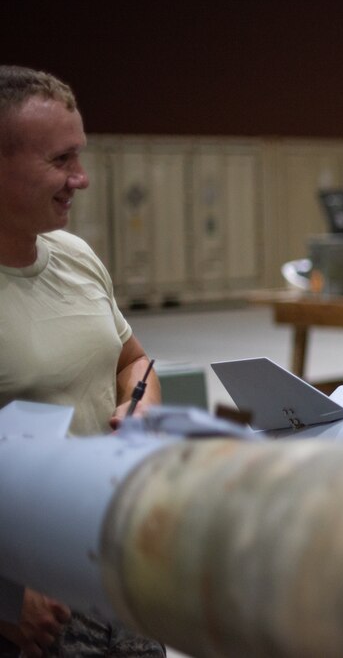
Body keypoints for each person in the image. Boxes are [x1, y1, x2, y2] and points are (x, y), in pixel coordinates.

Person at [0, 65, 163, 657]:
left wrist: (141, 410)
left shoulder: (74, 255)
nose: (81, 178)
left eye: (80, 156)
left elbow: (135, 363)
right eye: (60, 161)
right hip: (34, 599)